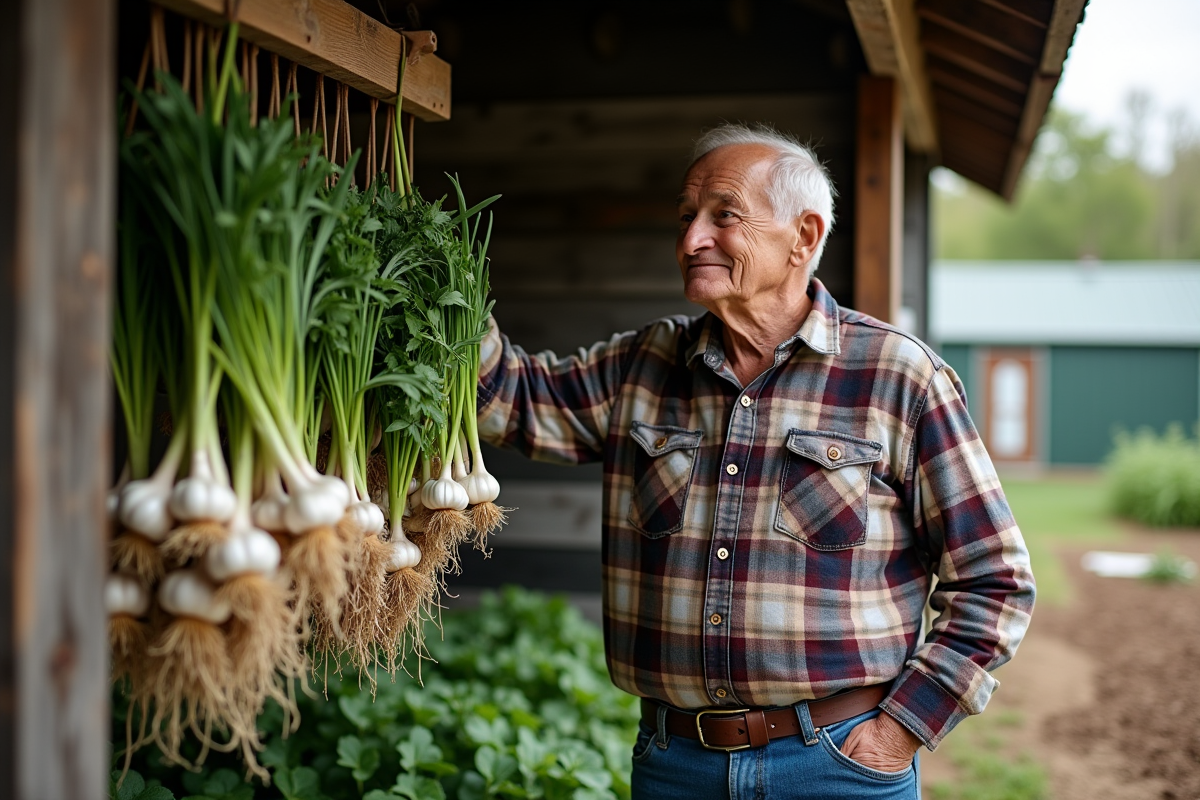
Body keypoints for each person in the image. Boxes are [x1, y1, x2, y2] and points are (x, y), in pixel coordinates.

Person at [475, 123, 1035, 799]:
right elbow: (509, 396)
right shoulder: (641, 366)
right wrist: (446, 297)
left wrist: (900, 732)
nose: (690, 241)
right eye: (686, 218)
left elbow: (994, 579)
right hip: (674, 766)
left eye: (723, 217)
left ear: (803, 237)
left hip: (839, 767)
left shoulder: (898, 375)